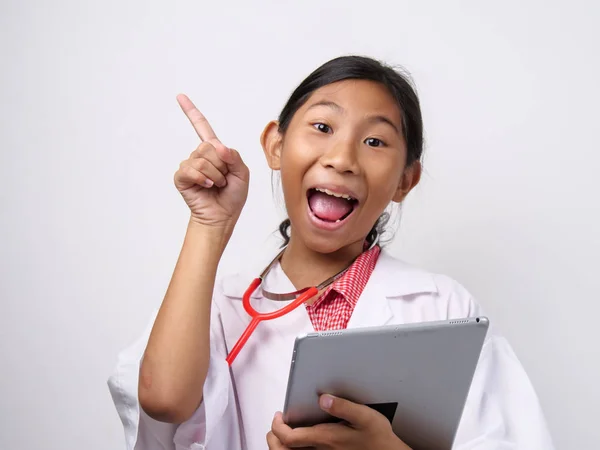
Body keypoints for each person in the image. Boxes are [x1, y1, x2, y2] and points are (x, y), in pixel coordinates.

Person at [108, 56, 554, 449]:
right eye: (322, 127)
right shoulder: (214, 309)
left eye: (375, 142)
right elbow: (163, 402)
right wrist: (210, 223)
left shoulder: (444, 308)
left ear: (405, 180)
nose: (342, 158)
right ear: (276, 145)